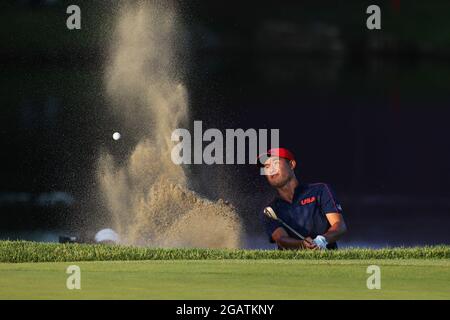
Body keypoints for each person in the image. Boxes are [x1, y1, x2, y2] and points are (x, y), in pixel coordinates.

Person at [258, 148, 347, 250]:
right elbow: (281, 239)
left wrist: (321, 240)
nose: (271, 169)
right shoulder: (270, 210)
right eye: (267, 166)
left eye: (275, 163)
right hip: (291, 264)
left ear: (291, 165)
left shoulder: (320, 191)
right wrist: (302, 244)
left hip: (327, 262)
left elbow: (339, 226)